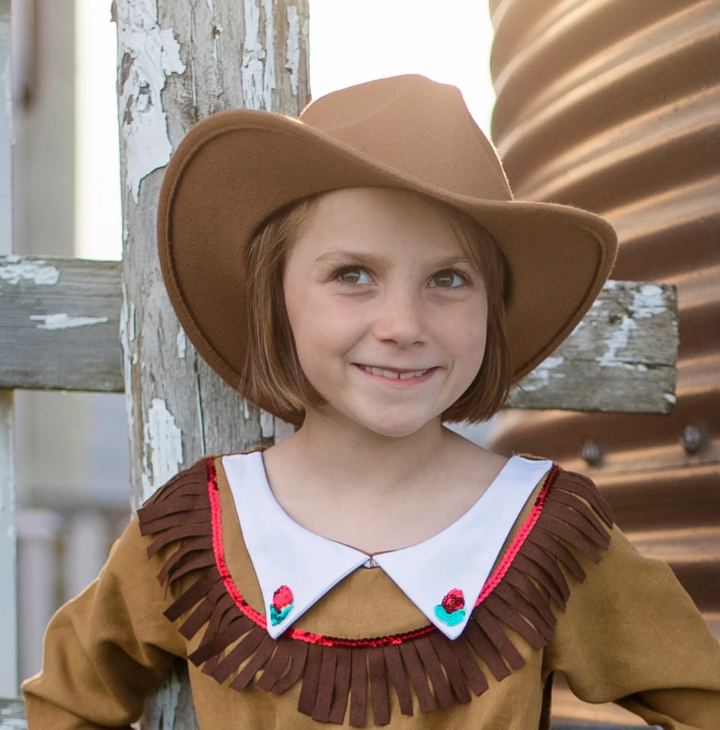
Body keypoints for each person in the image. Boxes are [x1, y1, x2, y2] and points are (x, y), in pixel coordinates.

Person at [22, 75, 720, 729]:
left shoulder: (545, 532)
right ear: (277, 299)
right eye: (353, 274)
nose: (403, 326)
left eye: (448, 278)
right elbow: (68, 702)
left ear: (491, 310)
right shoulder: (194, 531)